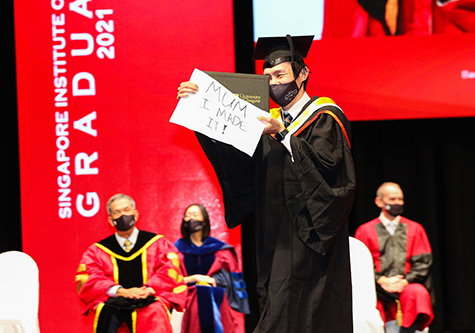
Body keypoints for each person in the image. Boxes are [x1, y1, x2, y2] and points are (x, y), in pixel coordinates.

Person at [177, 35, 356, 332]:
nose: (274, 83)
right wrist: (199, 109)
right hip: (273, 234)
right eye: (268, 77)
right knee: (276, 304)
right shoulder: (262, 120)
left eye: (281, 75)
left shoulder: (325, 116)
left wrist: (284, 134)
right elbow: (235, 159)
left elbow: (329, 172)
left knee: (292, 313)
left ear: (302, 74)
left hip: (311, 235)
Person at [75, 193, 188, 333]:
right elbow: (88, 278)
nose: (123, 215)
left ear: (136, 214)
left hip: (149, 298)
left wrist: (147, 289)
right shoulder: (97, 251)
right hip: (114, 301)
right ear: (111, 220)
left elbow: (170, 270)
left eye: (127, 210)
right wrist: (120, 291)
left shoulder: (158, 243)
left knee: (154, 310)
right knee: (105, 310)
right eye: (117, 212)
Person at [354, 182, 434, 333]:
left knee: (418, 293)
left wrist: (404, 281)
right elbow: (361, 264)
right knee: (364, 304)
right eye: (392, 199)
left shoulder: (415, 229)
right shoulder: (365, 230)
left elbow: (423, 263)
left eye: (400, 199)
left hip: (406, 284)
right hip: (375, 286)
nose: (397, 203)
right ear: (379, 201)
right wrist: (381, 280)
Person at [174, 203, 250, 333]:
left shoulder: (219, 249)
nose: (191, 218)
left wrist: (211, 280)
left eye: (195, 215)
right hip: (186, 297)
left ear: (204, 220)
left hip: (215, 297)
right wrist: (195, 278)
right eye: (188, 215)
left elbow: (231, 280)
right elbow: (171, 279)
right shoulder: (176, 250)